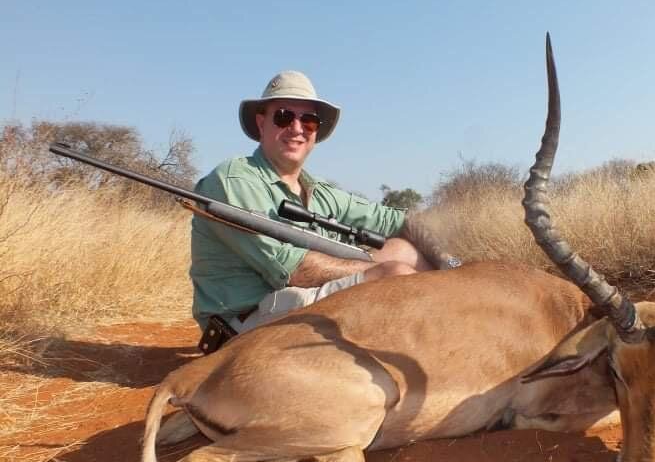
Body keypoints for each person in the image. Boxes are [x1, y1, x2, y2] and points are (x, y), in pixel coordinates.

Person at [190, 70, 459, 335]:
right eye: (283, 117)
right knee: (395, 276)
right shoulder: (233, 179)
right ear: (262, 124)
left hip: (295, 298)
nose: (296, 128)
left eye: (308, 121)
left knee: (403, 250)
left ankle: (451, 328)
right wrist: (377, 270)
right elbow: (292, 269)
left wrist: (448, 263)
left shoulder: (319, 190)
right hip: (246, 322)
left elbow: (401, 220)